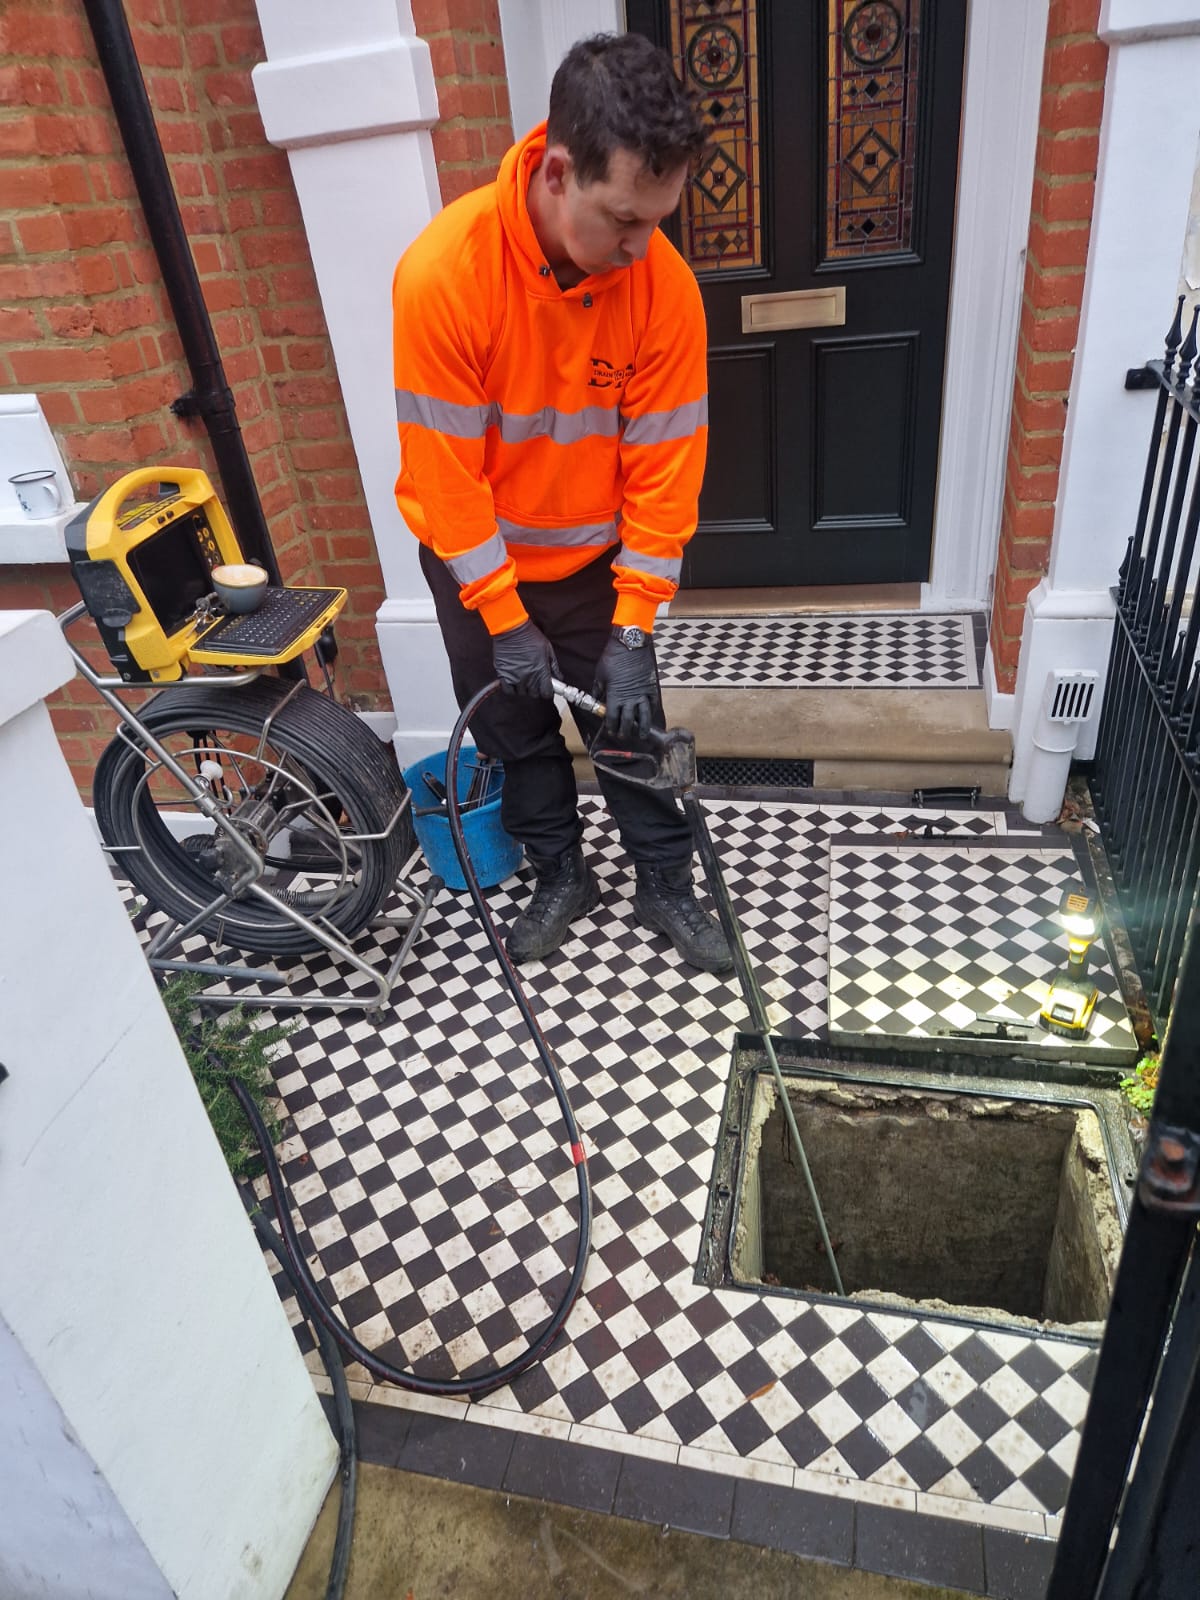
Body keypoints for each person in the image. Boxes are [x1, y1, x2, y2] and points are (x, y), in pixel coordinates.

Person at [391, 32, 732, 975]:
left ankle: (665, 884)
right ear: (556, 171)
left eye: (656, 221)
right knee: (514, 727)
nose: (638, 247)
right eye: (622, 219)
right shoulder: (444, 279)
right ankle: (560, 874)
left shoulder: (663, 289)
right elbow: (446, 474)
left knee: (629, 727)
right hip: (475, 565)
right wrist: (501, 615)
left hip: (591, 565)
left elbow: (665, 470)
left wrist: (632, 629)